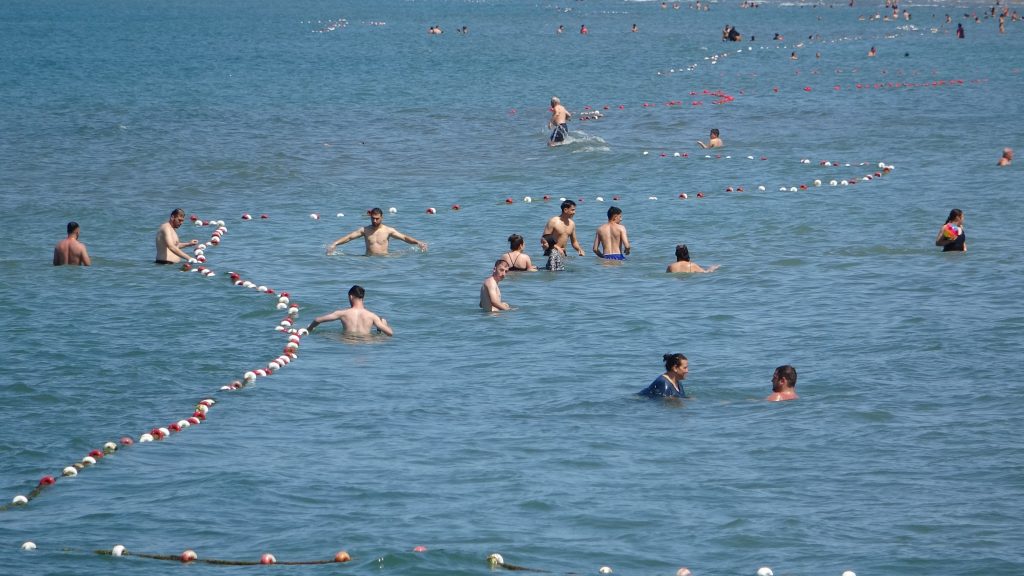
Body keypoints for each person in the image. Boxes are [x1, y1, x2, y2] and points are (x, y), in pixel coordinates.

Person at [326, 207, 427, 255]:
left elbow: (404, 237)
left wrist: (418, 242)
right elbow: (349, 237)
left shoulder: (388, 230)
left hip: (385, 260)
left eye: (377, 218)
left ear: (382, 217)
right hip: (368, 260)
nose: (374, 221)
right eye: (373, 218)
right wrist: (334, 244)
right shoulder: (365, 230)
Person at [305, 285, 393, 336]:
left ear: (351, 296)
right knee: (383, 322)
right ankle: (379, 330)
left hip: (347, 341)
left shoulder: (342, 313)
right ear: (362, 298)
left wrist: (309, 329)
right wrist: (384, 324)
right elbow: (390, 333)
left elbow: (317, 320)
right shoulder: (372, 316)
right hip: (366, 342)